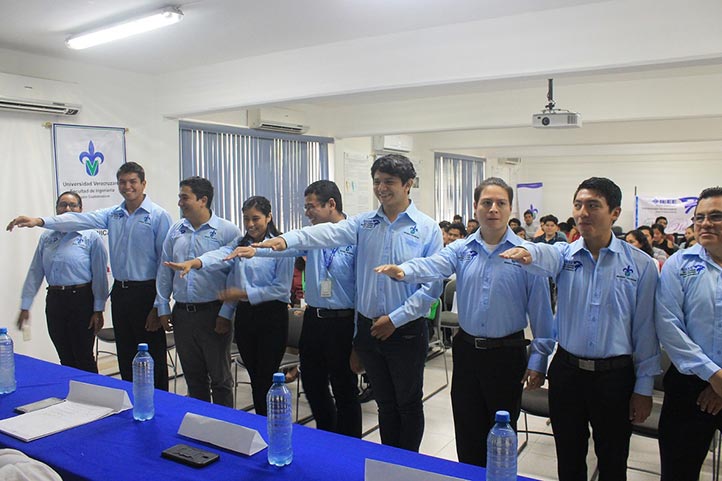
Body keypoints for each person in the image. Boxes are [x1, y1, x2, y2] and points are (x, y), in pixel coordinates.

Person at [254, 154, 443, 452]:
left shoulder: (427, 228)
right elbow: (326, 232)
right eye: (377, 181)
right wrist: (282, 241)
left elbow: (432, 286)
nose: (381, 188)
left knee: (407, 404)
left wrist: (395, 319)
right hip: (368, 328)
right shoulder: (364, 223)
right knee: (385, 404)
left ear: (408, 185)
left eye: (389, 182)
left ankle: (406, 465)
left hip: (404, 329)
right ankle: (385, 461)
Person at [375, 177, 554, 467]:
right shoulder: (462, 249)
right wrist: (404, 271)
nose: (493, 209)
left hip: (506, 355)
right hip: (467, 351)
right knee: (467, 430)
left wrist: (539, 360)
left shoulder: (527, 255)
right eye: (486, 202)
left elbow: (542, 313)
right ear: (475, 207)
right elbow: (433, 264)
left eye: (500, 203)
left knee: (501, 438)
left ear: (510, 208)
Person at [501, 177, 661, 481]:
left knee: (613, 459)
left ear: (614, 213)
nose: (583, 212)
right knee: (569, 456)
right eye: (578, 205)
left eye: (593, 205)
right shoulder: (564, 255)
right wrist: (527, 251)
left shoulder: (640, 265)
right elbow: (543, 254)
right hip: (568, 373)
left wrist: (643, 388)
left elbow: (645, 331)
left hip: (615, 377)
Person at [7, 162, 172, 390]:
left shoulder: (159, 216)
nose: (127, 187)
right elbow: (77, 220)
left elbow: (165, 264)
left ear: (143, 184)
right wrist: (39, 221)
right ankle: (132, 401)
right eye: (122, 182)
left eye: (133, 181)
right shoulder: (113, 214)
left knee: (151, 356)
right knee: (126, 355)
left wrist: (159, 305)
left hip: (146, 292)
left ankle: (161, 404)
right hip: (121, 292)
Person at [229, 180, 361, 437]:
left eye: (311, 207)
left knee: (344, 388)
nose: (307, 212)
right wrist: (255, 251)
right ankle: (326, 436)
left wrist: (359, 335)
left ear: (331, 204)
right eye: (306, 207)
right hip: (314, 319)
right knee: (312, 384)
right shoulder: (310, 235)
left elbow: (363, 287)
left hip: (343, 321)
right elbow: (284, 249)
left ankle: (350, 446)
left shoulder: (355, 237)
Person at [167, 196, 294, 415]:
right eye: (246, 219)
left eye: (256, 218)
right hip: (246, 315)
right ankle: (259, 422)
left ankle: (272, 424)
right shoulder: (240, 243)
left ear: (269, 217)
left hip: (272, 316)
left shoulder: (281, 245)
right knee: (254, 377)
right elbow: (220, 255)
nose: (250, 224)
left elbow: (281, 289)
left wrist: (243, 293)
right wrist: (195, 263)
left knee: (266, 378)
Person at [655, 186, 722, 480]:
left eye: (716, 216)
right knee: (678, 472)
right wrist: (714, 376)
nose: (705, 223)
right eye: (699, 217)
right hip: (688, 386)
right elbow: (668, 325)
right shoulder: (679, 265)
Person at [155, 177, 240, 407]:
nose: (179, 203)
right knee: (193, 379)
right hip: (182, 314)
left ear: (203, 200)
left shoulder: (227, 231)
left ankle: (224, 425)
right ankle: (201, 423)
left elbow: (235, 275)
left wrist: (226, 313)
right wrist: (162, 306)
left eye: (185, 197)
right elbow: (165, 270)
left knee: (220, 380)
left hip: (213, 314)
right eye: (179, 197)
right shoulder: (176, 230)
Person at [16, 192, 108, 373]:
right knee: (65, 356)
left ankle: (92, 390)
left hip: (82, 301)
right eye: (63, 205)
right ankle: (69, 390)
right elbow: (35, 272)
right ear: (56, 209)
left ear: (80, 210)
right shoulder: (47, 237)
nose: (67, 209)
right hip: (55, 300)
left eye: (73, 205)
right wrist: (25, 305)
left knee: (84, 357)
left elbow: (100, 276)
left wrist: (98, 310)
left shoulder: (91, 237)